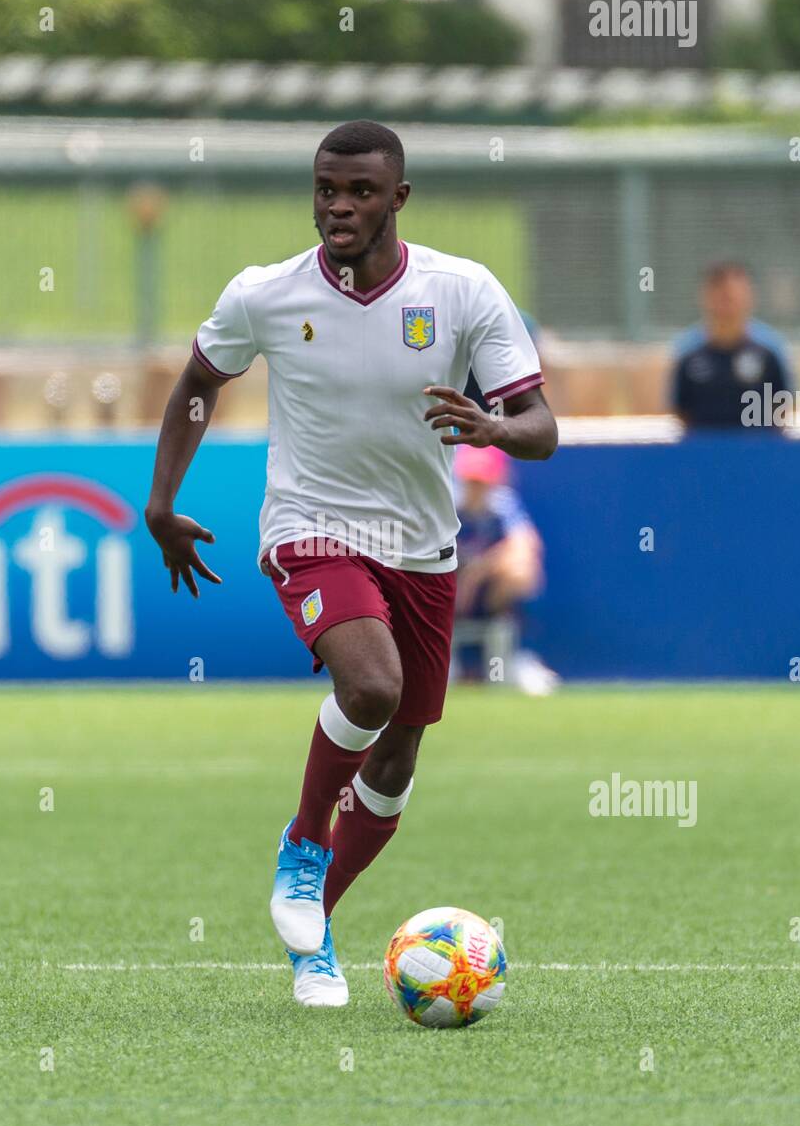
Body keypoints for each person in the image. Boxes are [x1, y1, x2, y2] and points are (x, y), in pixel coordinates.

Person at [145, 120, 557, 1008]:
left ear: (398, 199)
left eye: (361, 192)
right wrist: (161, 503)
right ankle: (302, 844)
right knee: (369, 690)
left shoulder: (462, 291)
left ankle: (315, 933)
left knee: (399, 753)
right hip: (311, 525)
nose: (340, 206)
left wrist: (494, 428)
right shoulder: (266, 293)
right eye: (327, 189)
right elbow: (197, 382)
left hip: (422, 544)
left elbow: (541, 426)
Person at [452, 443, 558, 696]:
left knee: (522, 570)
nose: (476, 487)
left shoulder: (503, 505)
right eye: (471, 479)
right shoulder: (447, 504)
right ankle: (438, 665)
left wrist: (477, 574)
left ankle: (513, 657)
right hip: (445, 594)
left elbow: (526, 544)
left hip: (486, 596)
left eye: (482, 480)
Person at [670, 261, 793, 430]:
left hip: (757, 450)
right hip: (704, 452)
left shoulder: (770, 349)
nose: (727, 304)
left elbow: (783, 408)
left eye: (733, 296)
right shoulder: (687, 351)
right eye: (721, 296)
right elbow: (680, 412)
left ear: (749, 296)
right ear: (705, 297)